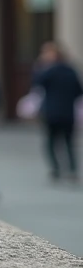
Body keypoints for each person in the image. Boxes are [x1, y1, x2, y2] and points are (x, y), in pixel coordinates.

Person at [32, 41, 83, 183]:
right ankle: (72, 170)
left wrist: (40, 66)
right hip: (67, 112)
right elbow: (79, 91)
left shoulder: (47, 71)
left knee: (51, 142)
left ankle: (56, 169)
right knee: (68, 142)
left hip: (52, 112)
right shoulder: (70, 70)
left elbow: (36, 83)